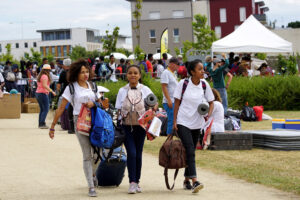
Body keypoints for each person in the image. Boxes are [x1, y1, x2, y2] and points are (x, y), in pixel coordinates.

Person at [49, 59, 101, 197]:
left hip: (95, 121)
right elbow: (62, 107)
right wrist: (53, 126)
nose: (85, 74)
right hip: (80, 122)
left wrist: (96, 103)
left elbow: (100, 103)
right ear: (76, 74)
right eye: (82, 72)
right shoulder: (71, 88)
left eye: (86, 72)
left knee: (99, 153)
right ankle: (91, 185)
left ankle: (93, 173)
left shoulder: (93, 86)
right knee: (87, 155)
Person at [173, 60, 214, 193]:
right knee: (190, 149)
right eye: (200, 69)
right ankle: (195, 181)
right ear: (192, 72)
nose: (203, 71)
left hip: (197, 123)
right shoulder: (183, 84)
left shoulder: (204, 84)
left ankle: (186, 180)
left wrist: (208, 114)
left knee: (190, 151)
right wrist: (174, 121)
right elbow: (177, 103)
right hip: (183, 121)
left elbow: (211, 102)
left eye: (203, 69)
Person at [115, 65, 156, 194]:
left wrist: (153, 107)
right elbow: (118, 109)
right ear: (126, 75)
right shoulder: (122, 90)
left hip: (141, 127)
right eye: (130, 73)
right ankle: (132, 182)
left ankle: (137, 181)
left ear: (139, 75)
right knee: (131, 153)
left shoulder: (145, 89)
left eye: (135, 73)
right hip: (126, 127)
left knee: (138, 154)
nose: (133, 75)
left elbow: (154, 102)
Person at [161, 57, 179, 135]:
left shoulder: (172, 73)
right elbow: (164, 86)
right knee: (171, 119)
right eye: (177, 65)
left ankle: (173, 135)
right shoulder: (166, 73)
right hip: (169, 100)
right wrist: (168, 100)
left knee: (174, 119)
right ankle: (169, 136)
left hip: (174, 100)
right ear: (172, 64)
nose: (178, 66)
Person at [57, 58, 74, 134]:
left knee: (62, 108)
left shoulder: (63, 73)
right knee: (73, 109)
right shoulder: (74, 72)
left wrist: (58, 91)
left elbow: (59, 85)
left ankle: (62, 122)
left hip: (65, 93)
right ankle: (72, 126)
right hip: (74, 92)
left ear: (64, 64)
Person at [36, 64, 56, 129]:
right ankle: (42, 124)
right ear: (48, 70)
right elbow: (45, 85)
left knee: (42, 109)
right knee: (46, 109)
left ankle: (40, 123)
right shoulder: (45, 76)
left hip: (39, 93)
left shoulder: (41, 75)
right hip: (43, 93)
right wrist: (52, 91)